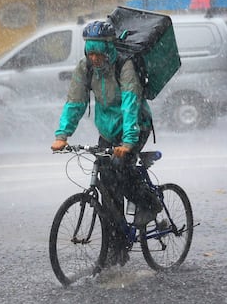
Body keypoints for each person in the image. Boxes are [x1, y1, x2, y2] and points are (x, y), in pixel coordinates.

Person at [51, 20, 162, 263]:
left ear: (108, 50)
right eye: (90, 53)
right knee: (106, 183)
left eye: (98, 53)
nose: (94, 58)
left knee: (119, 170)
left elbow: (131, 102)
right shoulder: (86, 68)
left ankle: (150, 203)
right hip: (109, 130)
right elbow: (75, 102)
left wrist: (129, 142)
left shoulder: (124, 66)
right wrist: (62, 135)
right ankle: (118, 245)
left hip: (135, 126)